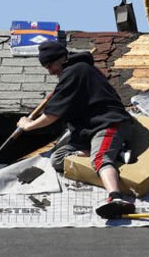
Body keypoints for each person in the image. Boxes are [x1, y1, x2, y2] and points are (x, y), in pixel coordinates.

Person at [16, 41, 136, 219]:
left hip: (108, 123)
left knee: (100, 157)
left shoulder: (76, 71)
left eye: (50, 65)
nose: (50, 71)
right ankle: (116, 153)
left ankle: (116, 198)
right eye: (46, 67)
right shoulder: (74, 72)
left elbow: (51, 115)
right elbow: (61, 102)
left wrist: (28, 125)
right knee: (57, 159)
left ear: (63, 58)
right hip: (87, 128)